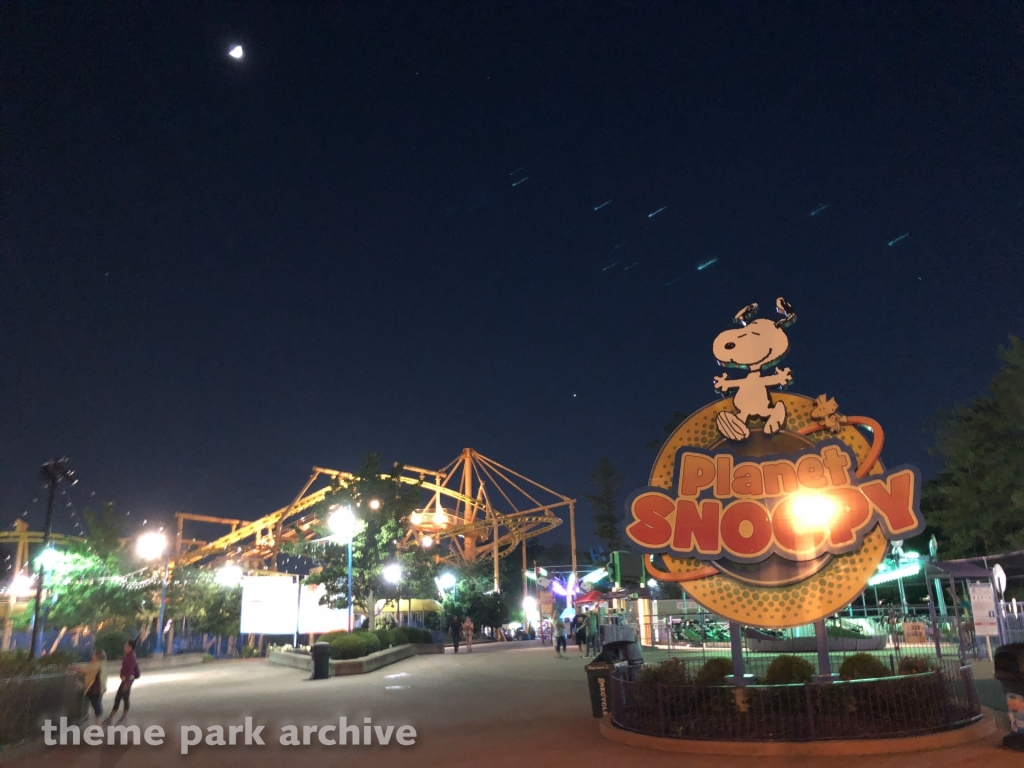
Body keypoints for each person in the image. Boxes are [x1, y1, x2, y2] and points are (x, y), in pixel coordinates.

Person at [103, 639, 141, 725]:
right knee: (120, 697)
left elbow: (130, 670)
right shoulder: (129, 655)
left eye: (126, 645)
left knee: (123, 697)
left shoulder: (131, 657)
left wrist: (126, 682)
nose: (125, 647)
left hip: (127, 680)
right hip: (126, 680)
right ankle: (112, 718)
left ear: (130, 647)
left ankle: (120, 718)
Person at [73, 650, 107, 722]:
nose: (92, 656)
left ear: (97, 657)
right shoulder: (103, 664)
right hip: (101, 689)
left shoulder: (95, 665)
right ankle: (98, 722)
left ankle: (98, 724)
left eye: (93, 655)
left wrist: (75, 668)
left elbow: (84, 669)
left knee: (96, 705)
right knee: (97, 704)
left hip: (94, 689)